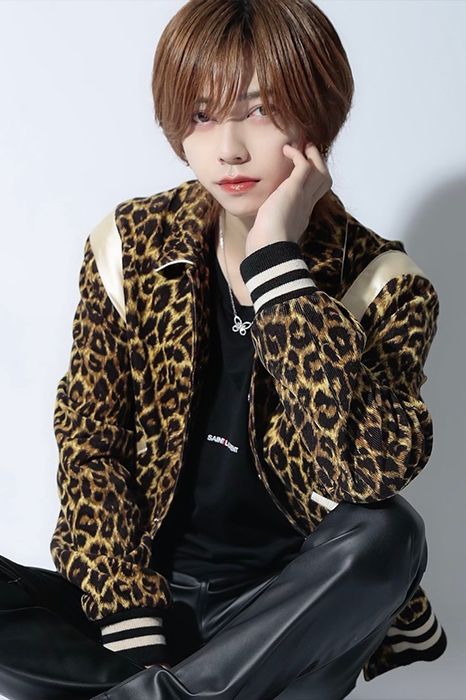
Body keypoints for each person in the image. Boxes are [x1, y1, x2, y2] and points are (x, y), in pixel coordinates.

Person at [0, 1, 447, 699]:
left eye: (261, 111)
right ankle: (154, 688)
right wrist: (130, 617)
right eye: (203, 115)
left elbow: (368, 472)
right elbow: (90, 442)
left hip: (281, 621)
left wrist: (278, 270)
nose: (229, 149)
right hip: (144, 607)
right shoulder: (132, 245)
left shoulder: (384, 285)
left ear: (318, 115)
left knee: (391, 534)